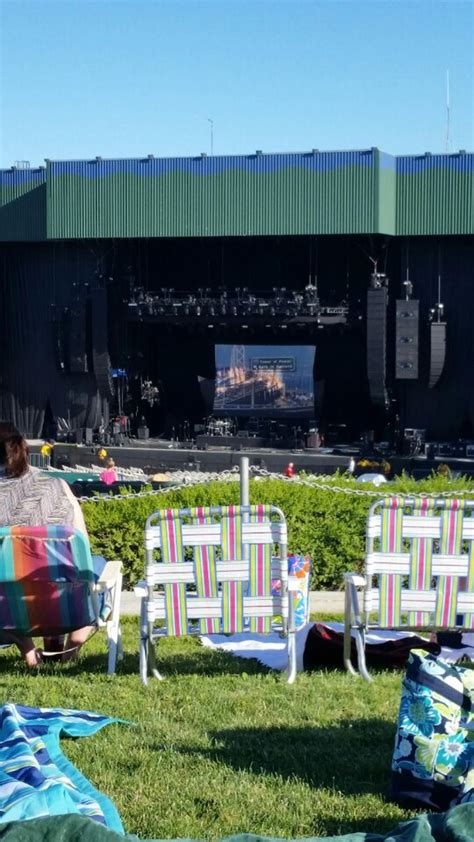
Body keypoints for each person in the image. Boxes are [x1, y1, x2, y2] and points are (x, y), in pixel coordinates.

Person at [0, 424, 96, 668]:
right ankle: (71, 646)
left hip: (6, 610)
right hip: (64, 606)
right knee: (88, 567)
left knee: (12, 579)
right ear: (23, 448)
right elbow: (81, 543)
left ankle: (26, 646)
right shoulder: (57, 487)